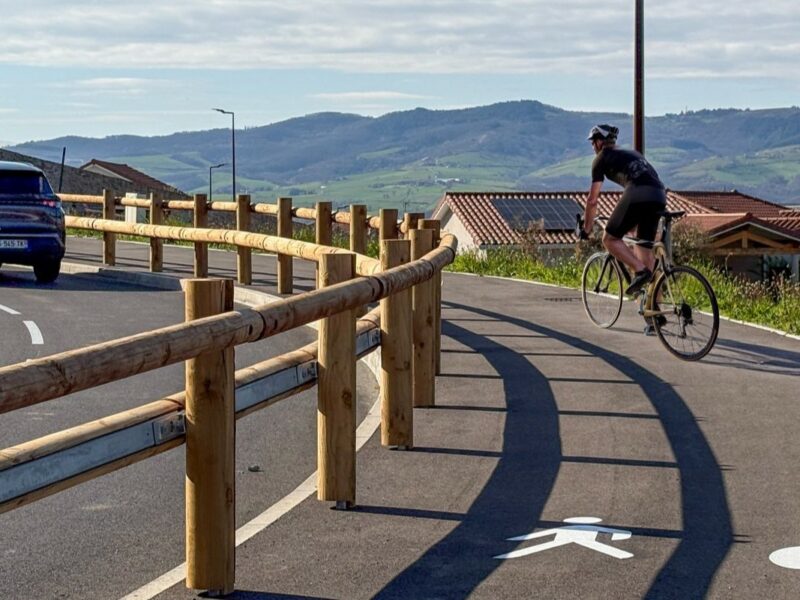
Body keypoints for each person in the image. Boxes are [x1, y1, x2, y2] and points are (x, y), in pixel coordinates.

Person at [581, 124, 667, 334]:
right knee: (644, 251)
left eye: (593, 142)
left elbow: (592, 200)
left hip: (638, 194)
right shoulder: (631, 153)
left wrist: (586, 228)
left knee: (609, 240)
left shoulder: (601, 158)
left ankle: (639, 272)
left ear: (600, 142)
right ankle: (653, 314)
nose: (593, 146)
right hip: (658, 196)